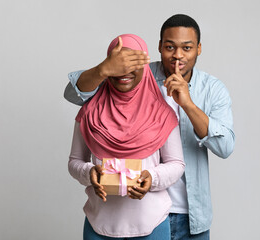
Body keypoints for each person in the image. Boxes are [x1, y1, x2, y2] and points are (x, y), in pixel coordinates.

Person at [65, 14, 235, 240]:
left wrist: (188, 105)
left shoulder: (212, 89)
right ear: (159, 47)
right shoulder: (134, 73)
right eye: (169, 47)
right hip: (131, 211)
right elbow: (73, 94)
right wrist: (104, 69)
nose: (178, 55)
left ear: (199, 48)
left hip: (188, 212)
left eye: (187, 47)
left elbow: (225, 147)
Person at [68, 34, 185, 239]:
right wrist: (89, 173)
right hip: (99, 225)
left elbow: (176, 164)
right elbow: (74, 162)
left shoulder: (162, 112)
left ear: (145, 66)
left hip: (153, 224)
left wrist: (152, 178)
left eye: (133, 63)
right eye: (118, 64)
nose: (125, 71)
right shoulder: (89, 112)